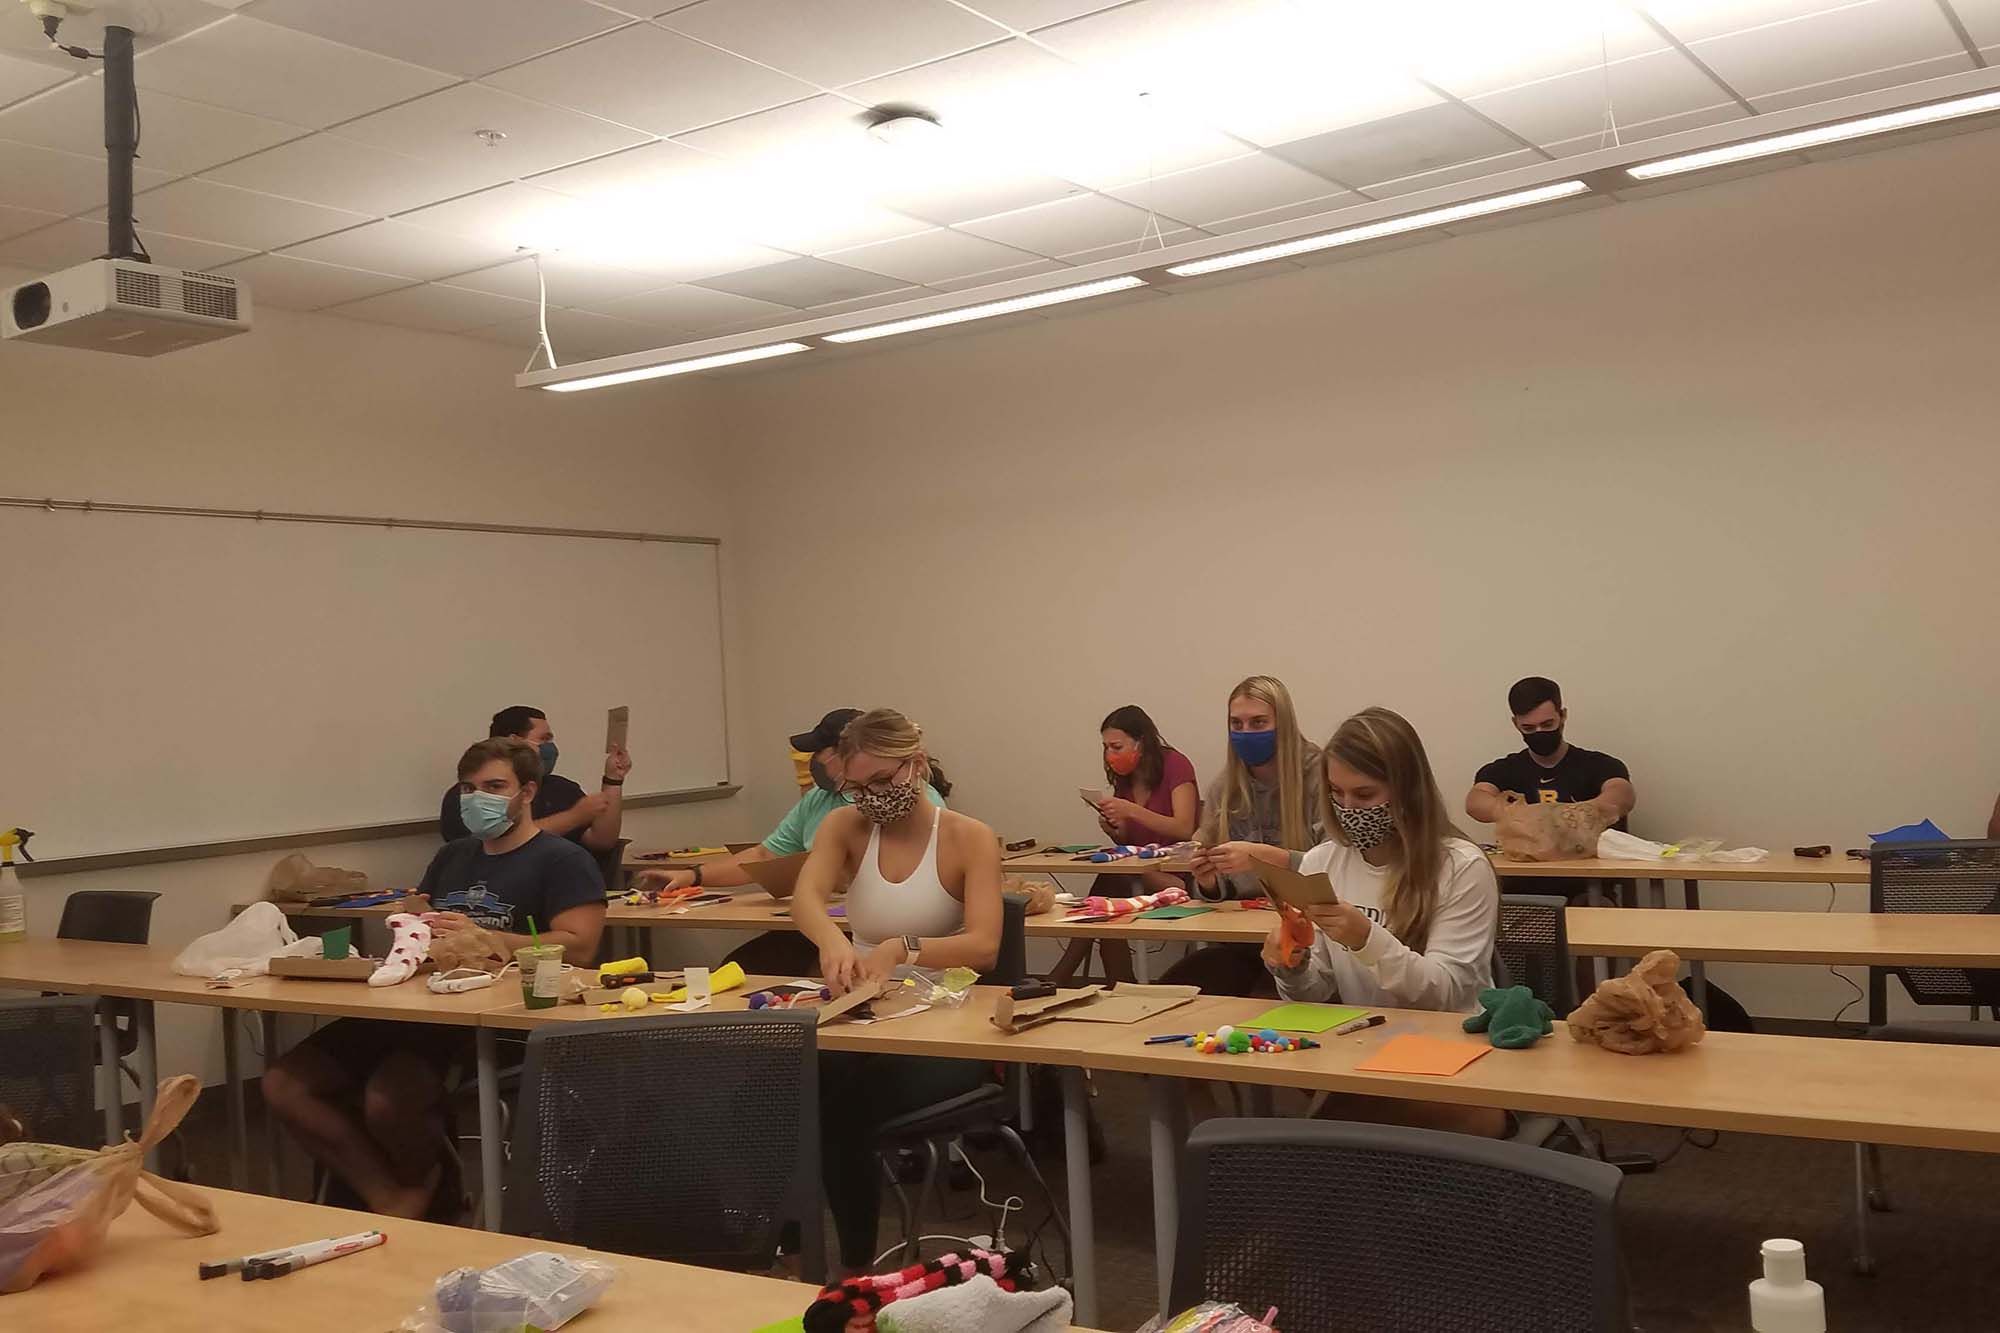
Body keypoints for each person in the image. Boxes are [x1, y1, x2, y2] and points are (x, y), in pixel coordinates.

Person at [265, 739, 606, 1218]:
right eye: (468, 788)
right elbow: (423, 910)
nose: (477, 798)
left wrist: (486, 938)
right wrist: (415, 919)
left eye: (494, 786)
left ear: (527, 792)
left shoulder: (561, 860)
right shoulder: (454, 856)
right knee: (286, 1083)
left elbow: (581, 944)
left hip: (491, 1016)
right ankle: (389, 1193)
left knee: (387, 1099)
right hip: (418, 1003)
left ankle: (423, 1189)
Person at [789, 710, 1003, 1273]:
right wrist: (833, 940)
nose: (871, 799)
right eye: (857, 789)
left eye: (882, 783)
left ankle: (854, 1268)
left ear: (916, 764)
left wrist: (903, 949)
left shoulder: (968, 838)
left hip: (946, 1028)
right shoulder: (844, 827)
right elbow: (805, 898)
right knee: (777, 1080)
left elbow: (983, 946)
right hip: (865, 1013)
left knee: (839, 1104)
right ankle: (783, 1240)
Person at [1259, 707, 1503, 1136]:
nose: (1349, 809)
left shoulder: (1461, 866)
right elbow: (1317, 992)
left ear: (1407, 791)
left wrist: (1366, 938)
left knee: (1327, 1143)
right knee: (1314, 1143)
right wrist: (1292, 966)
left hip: (1453, 1056)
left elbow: (1444, 994)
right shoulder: (1322, 861)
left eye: (1365, 795)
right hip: (1366, 1051)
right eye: (1338, 793)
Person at [1172, 675, 1323, 995]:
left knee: (1262, 1004)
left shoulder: (1320, 778)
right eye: (1236, 724)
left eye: (1258, 723)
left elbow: (1338, 870)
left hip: (1308, 939)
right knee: (1179, 989)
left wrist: (1262, 857)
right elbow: (1213, 890)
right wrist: (1207, 878)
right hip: (1241, 940)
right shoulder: (1224, 788)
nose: (1245, 733)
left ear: (1283, 723)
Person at [1049, 705, 1200, 986]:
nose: (1110, 755)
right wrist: (1115, 829)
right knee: (1111, 884)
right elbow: (1130, 842)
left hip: (1180, 876)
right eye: (1106, 748)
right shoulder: (1125, 778)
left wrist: (1130, 810)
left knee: (1110, 881)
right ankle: (1115, 982)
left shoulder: (1176, 765)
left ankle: (1077, 976)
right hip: (1138, 870)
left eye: (1117, 746)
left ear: (1141, 741)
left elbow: (1183, 828)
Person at [438, 705, 630, 851]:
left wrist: (613, 779)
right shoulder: (468, 796)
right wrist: (574, 817)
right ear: (514, 741)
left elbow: (602, 841)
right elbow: (486, 846)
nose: (550, 747)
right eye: (544, 739)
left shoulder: (561, 788)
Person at [1464, 676, 1635, 833]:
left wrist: (1572, 814)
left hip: (1592, 864)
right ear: (1516, 724)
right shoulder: (1504, 770)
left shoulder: (1601, 765)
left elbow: (1621, 796)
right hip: (1530, 863)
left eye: (1547, 724)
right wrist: (1518, 813)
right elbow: (1475, 802)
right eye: (1528, 728)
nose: (1539, 732)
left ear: (1563, 716)